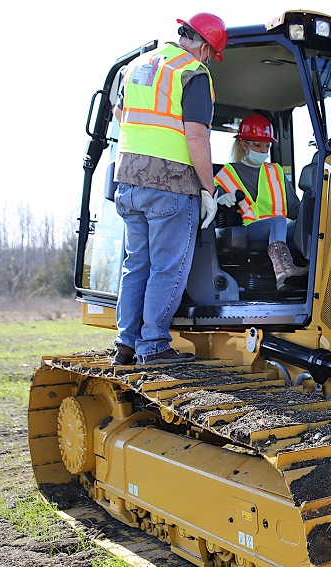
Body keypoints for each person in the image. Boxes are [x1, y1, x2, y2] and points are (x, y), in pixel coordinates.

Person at [111, 13, 227, 366]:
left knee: (136, 265)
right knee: (167, 268)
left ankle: (126, 344)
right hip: (170, 184)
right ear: (205, 46)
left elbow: (119, 113)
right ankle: (153, 347)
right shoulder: (193, 72)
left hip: (129, 180)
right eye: (210, 54)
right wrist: (208, 189)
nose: (208, 60)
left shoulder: (137, 65)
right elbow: (196, 135)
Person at [214, 114, 307, 292]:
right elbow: (212, 200)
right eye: (258, 145)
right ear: (244, 144)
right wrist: (219, 199)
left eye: (267, 146)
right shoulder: (229, 172)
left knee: (308, 224)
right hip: (251, 228)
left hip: (278, 229)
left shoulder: (276, 171)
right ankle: (284, 273)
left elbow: (295, 209)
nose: (263, 150)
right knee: (278, 220)